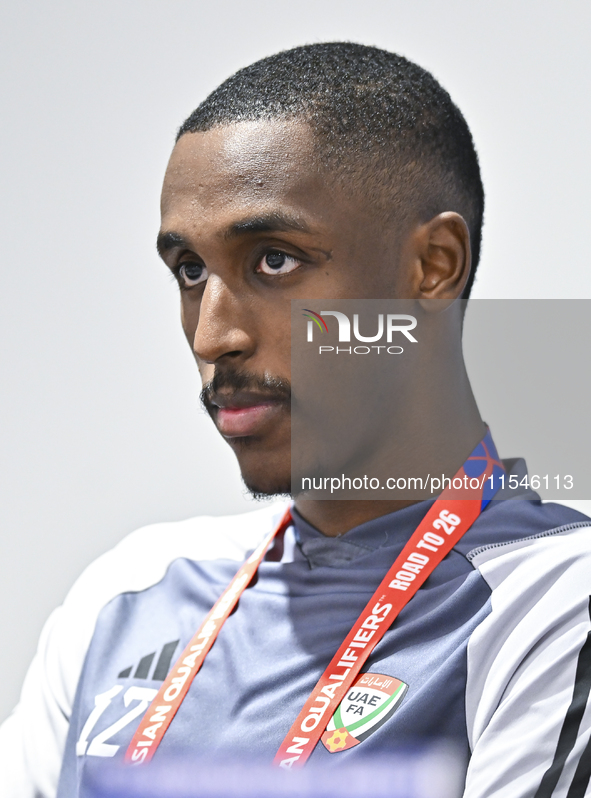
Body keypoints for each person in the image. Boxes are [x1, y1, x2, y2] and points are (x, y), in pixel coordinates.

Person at [1, 42, 590, 798]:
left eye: (272, 260)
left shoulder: (556, 602)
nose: (214, 337)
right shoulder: (126, 592)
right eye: (189, 271)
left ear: (433, 266)